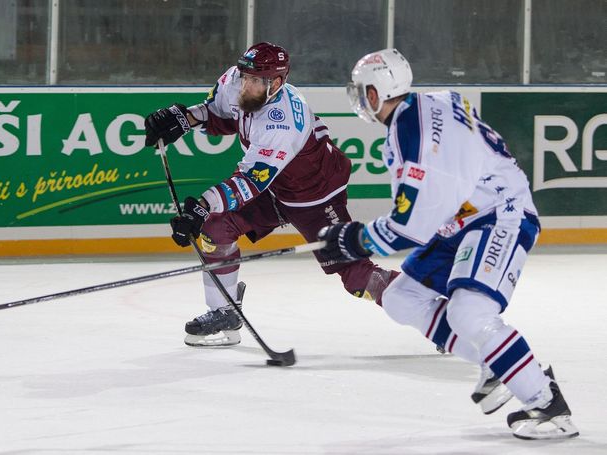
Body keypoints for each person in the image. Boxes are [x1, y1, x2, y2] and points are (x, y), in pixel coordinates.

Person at [317, 48, 579, 440]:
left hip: (501, 213)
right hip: (464, 218)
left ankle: (547, 403)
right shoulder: (424, 105)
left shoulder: (417, 135)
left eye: (364, 90)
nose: (361, 99)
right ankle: (498, 362)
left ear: (379, 91)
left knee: (469, 314)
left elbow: (410, 229)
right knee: (402, 298)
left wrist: (353, 239)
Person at [144, 42, 399, 347]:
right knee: (215, 227)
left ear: (276, 83)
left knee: (357, 278)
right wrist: (184, 118)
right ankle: (224, 311)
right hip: (274, 188)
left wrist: (201, 205)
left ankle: (436, 308)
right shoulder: (236, 81)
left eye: (254, 80)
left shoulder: (284, 120)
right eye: (244, 75)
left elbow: (251, 181)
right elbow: (218, 112)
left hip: (315, 196)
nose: (244, 84)